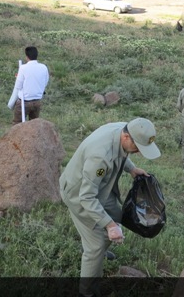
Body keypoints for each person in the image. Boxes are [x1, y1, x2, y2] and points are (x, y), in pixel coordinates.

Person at [59, 118, 161, 297]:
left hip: (100, 188)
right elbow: (87, 197)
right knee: (96, 245)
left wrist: (131, 168)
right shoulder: (100, 157)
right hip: (78, 195)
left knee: (116, 214)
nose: (138, 152)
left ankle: (100, 251)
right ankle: (87, 292)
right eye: (138, 147)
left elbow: (121, 153)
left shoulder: (122, 128)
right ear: (127, 137)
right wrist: (110, 226)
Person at [12, 46, 50, 124]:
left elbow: (18, 86)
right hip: (37, 101)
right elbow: (45, 82)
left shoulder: (23, 68)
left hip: (24, 101)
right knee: (34, 125)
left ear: (27, 57)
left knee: (17, 125)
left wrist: (18, 77)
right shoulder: (44, 67)